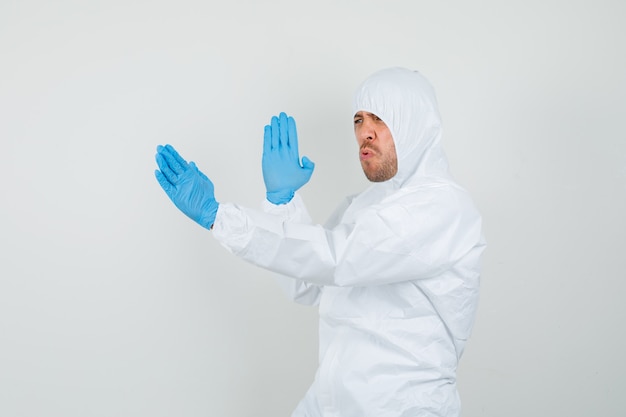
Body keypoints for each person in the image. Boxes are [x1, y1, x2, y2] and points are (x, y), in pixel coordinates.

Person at [154, 67, 486, 417]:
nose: (365, 133)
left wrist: (219, 216)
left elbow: (337, 259)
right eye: (358, 120)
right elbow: (308, 283)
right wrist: (282, 202)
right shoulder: (365, 206)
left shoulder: (443, 208)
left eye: (380, 119)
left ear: (416, 125)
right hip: (330, 402)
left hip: (402, 407)